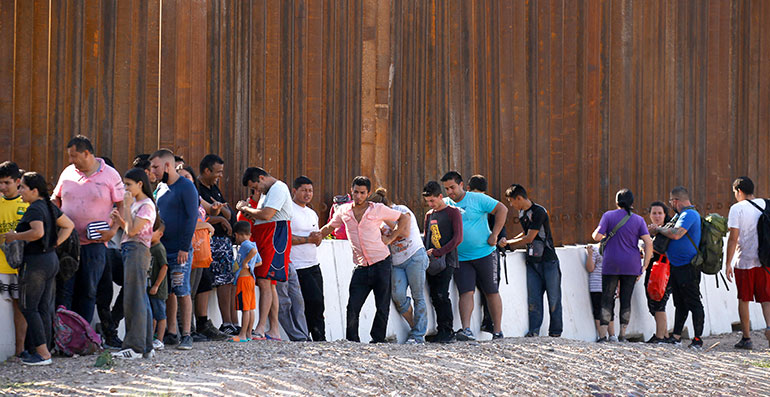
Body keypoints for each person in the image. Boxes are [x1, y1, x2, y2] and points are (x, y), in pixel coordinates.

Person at [318, 176, 410, 343]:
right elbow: (330, 227)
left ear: (368, 193)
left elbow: (405, 218)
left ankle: (378, 340)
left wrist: (391, 238)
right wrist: (316, 237)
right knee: (353, 306)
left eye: (362, 193)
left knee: (382, 306)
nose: (358, 196)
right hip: (361, 266)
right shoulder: (344, 210)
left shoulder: (378, 209)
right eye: (355, 192)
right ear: (351, 191)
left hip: (381, 262)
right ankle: (352, 341)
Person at [4, 172, 74, 365]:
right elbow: (69, 225)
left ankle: (42, 354)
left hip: (35, 264)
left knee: (28, 307)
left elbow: (37, 232)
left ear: (34, 191)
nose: (20, 192)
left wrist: (14, 236)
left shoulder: (35, 208)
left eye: (23, 188)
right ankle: (45, 350)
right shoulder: (49, 206)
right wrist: (54, 244)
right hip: (50, 260)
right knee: (43, 307)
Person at [53, 135, 125, 322]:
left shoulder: (110, 175)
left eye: (74, 156)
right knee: (64, 290)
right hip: (67, 244)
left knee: (88, 291)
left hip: (95, 244)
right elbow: (56, 199)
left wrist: (112, 230)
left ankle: (82, 339)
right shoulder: (67, 172)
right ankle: (62, 338)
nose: (71, 160)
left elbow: (122, 205)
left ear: (87, 153)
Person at [441, 171, 507, 341]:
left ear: (462, 185)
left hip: (485, 253)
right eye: (447, 188)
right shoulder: (445, 204)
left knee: (491, 291)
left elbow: (502, 209)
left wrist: (495, 234)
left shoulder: (477, 199)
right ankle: (466, 329)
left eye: (453, 187)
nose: (450, 192)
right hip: (461, 257)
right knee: (465, 292)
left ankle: (497, 330)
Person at [237, 167, 294, 341]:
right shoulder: (267, 193)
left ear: (262, 178)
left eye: (256, 186)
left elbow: (267, 214)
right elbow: (261, 217)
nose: (256, 191)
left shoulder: (278, 188)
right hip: (266, 234)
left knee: (265, 279)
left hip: (275, 234)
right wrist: (252, 211)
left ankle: (261, 327)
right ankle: (273, 329)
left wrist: (246, 208)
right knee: (270, 283)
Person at [150, 149, 199, 350]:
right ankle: (171, 333)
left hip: (180, 250)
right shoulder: (160, 188)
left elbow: (192, 217)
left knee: (182, 289)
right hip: (162, 248)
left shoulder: (186, 187)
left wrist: (184, 247)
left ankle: (186, 334)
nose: (153, 171)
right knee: (166, 291)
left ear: (167, 166)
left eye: (156, 167)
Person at [591, 189, 653, 342]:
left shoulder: (608, 216)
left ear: (616, 201)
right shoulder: (638, 220)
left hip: (611, 263)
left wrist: (604, 233)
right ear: (632, 203)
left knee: (607, 298)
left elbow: (597, 237)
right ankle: (622, 335)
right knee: (626, 299)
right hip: (631, 265)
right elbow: (648, 242)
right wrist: (645, 265)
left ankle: (603, 335)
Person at [369, 188, 429, 344]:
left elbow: (405, 232)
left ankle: (417, 335)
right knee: (398, 295)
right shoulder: (379, 222)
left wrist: (385, 218)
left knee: (418, 295)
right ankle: (416, 327)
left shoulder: (402, 211)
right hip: (397, 262)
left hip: (414, 255)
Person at [648, 186, 705, 349]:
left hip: (688, 266)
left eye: (671, 201)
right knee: (679, 302)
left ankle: (697, 339)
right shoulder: (681, 215)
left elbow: (676, 234)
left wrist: (658, 228)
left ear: (676, 201)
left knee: (694, 302)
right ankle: (676, 336)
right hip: (677, 266)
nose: (671, 204)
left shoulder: (689, 214)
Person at [177, 165, 228, 342]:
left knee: (193, 289)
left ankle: (190, 329)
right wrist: (206, 226)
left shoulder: (195, 198)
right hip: (184, 247)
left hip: (199, 249)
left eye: (188, 176)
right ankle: (184, 330)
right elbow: (184, 223)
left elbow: (210, 212)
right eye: (181, 176)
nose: (185, 179)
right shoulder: (177, 197)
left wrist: (215, 213)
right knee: (183, 290)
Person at [503, 184, 562, 338]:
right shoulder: (522, 213)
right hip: (532, 260)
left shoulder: (539, 211)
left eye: (512, 201)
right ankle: (534, 331)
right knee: (533, 298)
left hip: (548, 260)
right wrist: (509, 242)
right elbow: (525, 233)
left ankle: (555, 332)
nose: (511, 205)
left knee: (554, 298)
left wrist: (509, 243)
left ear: (519, 198)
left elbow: (529, 237)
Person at [110, 168, 157, 359]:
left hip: (137, 249)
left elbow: (132, 230)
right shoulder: (139, 204)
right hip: (132, 249)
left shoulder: (145, 205)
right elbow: (130, 227)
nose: (125, 189)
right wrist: (121, 220)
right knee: (139, 297)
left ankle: (134, 347)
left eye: (128, 184)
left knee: (133, 298)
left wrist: (127, 209)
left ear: (140, 184)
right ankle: (145, 345)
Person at [725, 176, 770, 350]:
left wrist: (728, 263)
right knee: (766, 299)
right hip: (765, 260)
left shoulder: (737, 209)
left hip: (744, 261)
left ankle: (746, 338)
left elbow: (733, 238)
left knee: (744, 299)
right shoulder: (766, 203)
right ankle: (769, 329)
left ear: (739, 191)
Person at [196, 154, 238, 337]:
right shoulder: (197, 189)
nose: (220, 176)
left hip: (224, 242)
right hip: (207, 242)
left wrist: (222, 214)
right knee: (215, 281)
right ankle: (219, 323)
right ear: (206, 171)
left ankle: (230, 322)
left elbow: (230, 215)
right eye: (218, 172)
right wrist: (219, 216)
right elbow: (201, 216)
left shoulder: (214, 188)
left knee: (228, 280)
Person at [421, 181, 463, 343]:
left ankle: (447, 330)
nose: (431, 204)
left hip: (448, 260)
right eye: (428, 202)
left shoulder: (453, 212)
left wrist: (439, 252)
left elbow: (458, 238)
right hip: (432, 262)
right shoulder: (429, 215)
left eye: (433, 200)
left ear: (440, 196)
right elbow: (427, 238)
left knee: (441, 294)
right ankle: (441, 330)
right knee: (434, 295)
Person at [467, 174, 508, 334]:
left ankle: (490, 323)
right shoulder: (482, 202)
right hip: (477, 252)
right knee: (487, 288)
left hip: (488, 251)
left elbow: (500, 221)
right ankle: (488, 323)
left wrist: (499, 237)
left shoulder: (484, 203)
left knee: (490, 288)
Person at [290, 176, 326, 341]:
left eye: (310, 190)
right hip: (297, 266)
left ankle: (319, 337)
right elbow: (286, 238)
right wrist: (308, 240)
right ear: (294, 191)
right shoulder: (289, 210)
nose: (307, 194)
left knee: (318, 303)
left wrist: (317, 239)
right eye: (304, 190)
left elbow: (316, 240)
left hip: (313, 264)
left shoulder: (312, 213)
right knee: (304, 303)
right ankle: (304, 337)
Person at [0, 162, 29, 357]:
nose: (2, 187)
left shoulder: (27, 204)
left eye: (7, 183)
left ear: (18, 182)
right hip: (1, 266)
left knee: (21, 307)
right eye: (0, 183)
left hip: (21, 267)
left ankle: (20, 350)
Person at [644, 201, 674, 343]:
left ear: (665, 214)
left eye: (660, 213)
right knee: (656, 302)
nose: (657, 216)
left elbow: (658, 249)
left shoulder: (665, 230)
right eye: (654, 213)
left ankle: (660, 336)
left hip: (662, 271)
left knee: (658, 302)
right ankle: (665, 334)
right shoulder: (659, 230)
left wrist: (647, 245)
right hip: (656, 269)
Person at [231, 221, 262, 342]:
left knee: (245, 308)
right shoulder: (252, 244)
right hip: (250, 279)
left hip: (244, 279)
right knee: (250, 307)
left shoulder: (245, 245)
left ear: (237, 235)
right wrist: (251, 265)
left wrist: (245, 263)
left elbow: (253, 252)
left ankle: (242, 334)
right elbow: (260, 261)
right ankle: (249, 333)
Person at [585, 244, 617, 342]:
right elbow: (590, 268)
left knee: (609, 311)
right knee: (601, 311)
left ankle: (610, 335)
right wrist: (590, 255)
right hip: (597, 286)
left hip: (608, 286)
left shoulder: (615, 250)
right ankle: (604, 336)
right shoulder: (596, 250)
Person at [148, 221, 168, 351]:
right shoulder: (149, 247)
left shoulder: (159, 249)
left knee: (160, 315)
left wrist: (156, 285)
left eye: (153, 231)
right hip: (150, 287)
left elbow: (164, 267)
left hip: (158, 289)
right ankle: (150, 338)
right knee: (153, 314)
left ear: (160, 234)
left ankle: (160, 340)